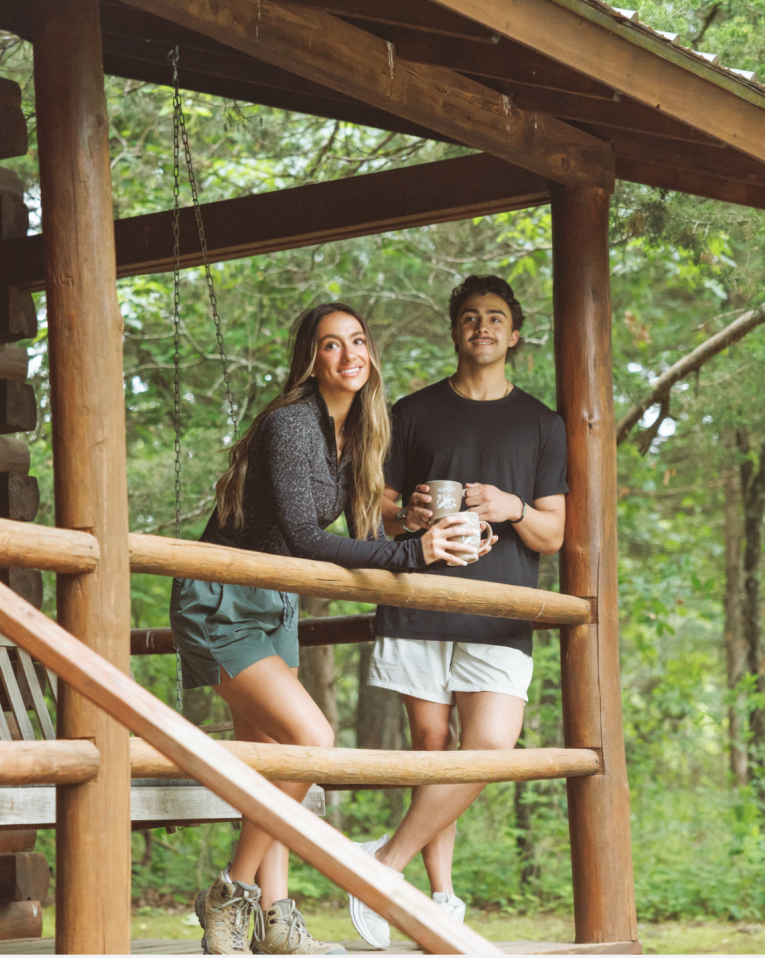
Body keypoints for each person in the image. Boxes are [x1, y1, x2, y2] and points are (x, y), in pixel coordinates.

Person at [173, 302, 488, 956]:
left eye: (358, 342)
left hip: (276, 603)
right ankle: (229, 892)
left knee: (273, 768)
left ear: (370, 354)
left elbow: (371, 537)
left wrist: (436, 538)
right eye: (330, 345)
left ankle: (278, 921)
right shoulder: (290, 426)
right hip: (223, 599)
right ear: (310, 360)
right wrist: (410, 555)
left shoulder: (363, 434)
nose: (349, 356)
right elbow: (305, 538)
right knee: (312, 739)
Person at [347, 275, 569, 947]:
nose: (482, 327)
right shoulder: (413, 413)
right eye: (470, 317)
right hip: (420, 600)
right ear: (454, 330)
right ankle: (440, 897)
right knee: (432, 751)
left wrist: (514, 508)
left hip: (501, 613)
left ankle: (383, 864)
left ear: (516, 333)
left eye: (496, 317)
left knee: (491, 749)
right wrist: (406, 512)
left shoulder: (542, 423)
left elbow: (553, 533)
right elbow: (373, 505)